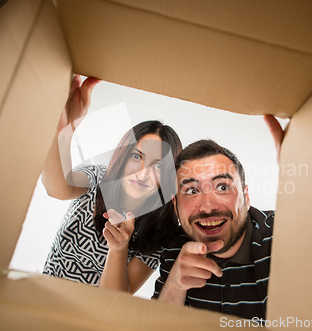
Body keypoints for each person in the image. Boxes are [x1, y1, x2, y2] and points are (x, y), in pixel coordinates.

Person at [42, 75, 183, 294]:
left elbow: (116, 298)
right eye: (137, 157)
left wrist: (118, 249)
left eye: (157, 166)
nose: (143, 173)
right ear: (123, 155)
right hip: (42, 297)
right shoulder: (98, 179)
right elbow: (58, 188)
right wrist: (62, 132)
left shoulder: (162, 231)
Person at [152, 126, 283, 319]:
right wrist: (174, 285)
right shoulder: (174, 249)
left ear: (246, 198)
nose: (207, 206)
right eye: (192, 191)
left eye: (222, 187)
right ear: (176, 205)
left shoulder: (281, 234)